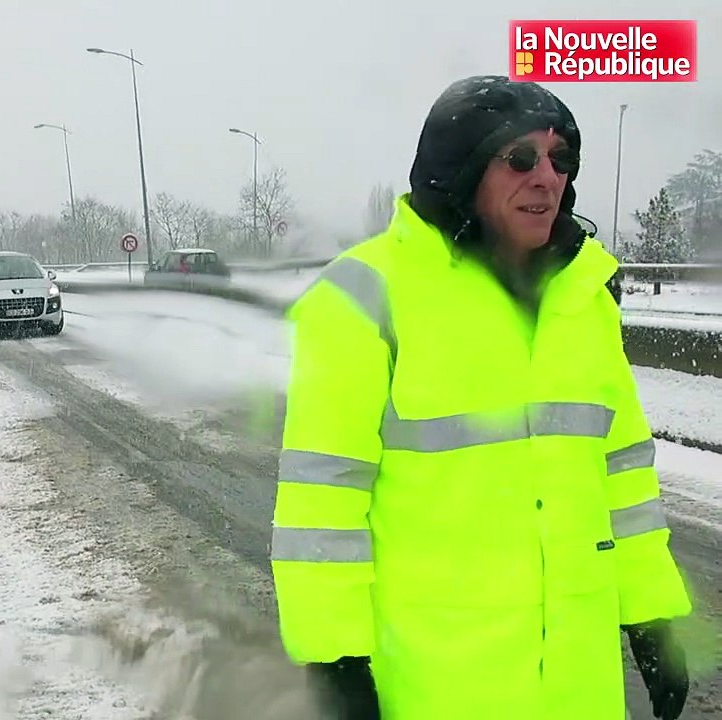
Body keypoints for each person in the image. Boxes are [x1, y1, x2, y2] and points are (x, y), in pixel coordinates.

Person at [270, 75, 692, 720]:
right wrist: (335, 660)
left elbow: (623, 478)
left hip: (578, 683)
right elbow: (321, 501)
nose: (546, 177)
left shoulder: (583, 299)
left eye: (560, 160)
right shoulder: (363, 298)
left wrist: (652, 613)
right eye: (520, 158)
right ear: (459, 170)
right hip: (436, 682)